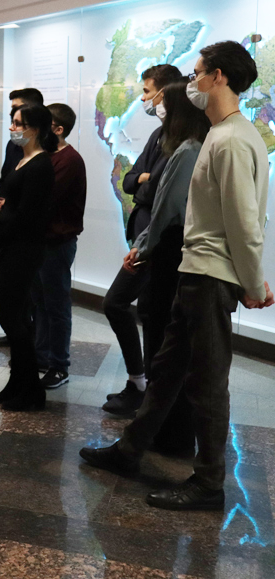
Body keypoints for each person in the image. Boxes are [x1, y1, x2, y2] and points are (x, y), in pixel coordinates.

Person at [81, 41, 273, 511]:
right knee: (166, 371)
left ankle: (208, 483)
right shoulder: (224, 135)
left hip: (210, 278)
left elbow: (244, 223)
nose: (192, 82)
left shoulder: (230, 140)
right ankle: (129, 450)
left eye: (197, 72)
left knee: (206, 384)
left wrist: (253, 284)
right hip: (196, 273)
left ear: (219, 76)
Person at [115, 80, 208, 457]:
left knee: (163, 344)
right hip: (171, 253)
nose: (154, 107)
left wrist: (143, 248)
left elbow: (165, 208)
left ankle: (168, 436)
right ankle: (168, 434)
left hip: (168, 255)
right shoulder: (191, 145)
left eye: (160, 100)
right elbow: (134, 184)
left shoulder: (187, 151)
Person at [102, 64, 183, 415]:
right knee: (140, 311)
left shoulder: (185, 140)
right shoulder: (158, 135)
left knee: (134, 309)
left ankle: (149, 394)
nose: (144, 99)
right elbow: (130, 180)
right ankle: (141, 386)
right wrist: (144, 179)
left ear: (166, 92)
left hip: (159, 244)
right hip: (144, 237)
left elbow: (159, 188)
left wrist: (146, 181)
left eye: (148, 92)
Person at [0, 104, 56, 411]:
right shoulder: (22, 159)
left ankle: (31, 390)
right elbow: (11, 204)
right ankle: (17, 382)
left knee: (13, 318)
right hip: (14, 247)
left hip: (24, 248)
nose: (12, 128)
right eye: (12, 122)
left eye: (18, 123)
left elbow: (23, 213)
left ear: (34, 129)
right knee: (10, 316)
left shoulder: (40, 165)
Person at [31, 104, 86, 389]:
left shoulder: (69, 160)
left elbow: (44, 198)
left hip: (57, 243)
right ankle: (41, 356)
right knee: (40, 303)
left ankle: (59, 366)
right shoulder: (45, 155)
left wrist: (17, 203)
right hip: (40, 242)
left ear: (59, 129)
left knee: (56, 306)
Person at [0, 87, 43, 347]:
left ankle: (29, 341)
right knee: (10, 304)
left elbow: (31, 199)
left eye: (17, 112)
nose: (12, 120)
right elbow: (6, 177)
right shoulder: (14, 146)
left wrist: (10, 204)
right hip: (8, 226)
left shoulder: (42, 158)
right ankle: (17, 333)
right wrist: (2, 199)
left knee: (29, 294)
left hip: (25, 236)